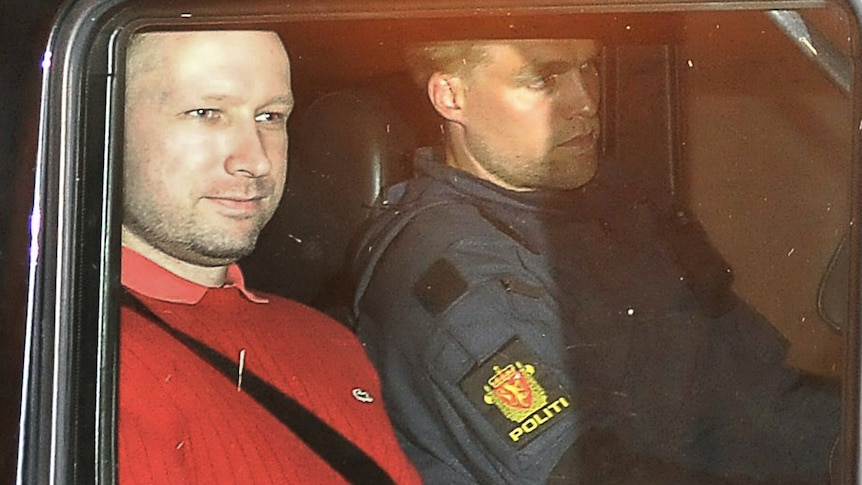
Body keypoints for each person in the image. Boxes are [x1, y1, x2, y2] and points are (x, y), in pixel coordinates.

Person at [351, 39, 840, 484]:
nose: (585, 103)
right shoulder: (455, 276)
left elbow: (757, 386)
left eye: (589, 68)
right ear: (450, 97)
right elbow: (590, 471)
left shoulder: (617, 201)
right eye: (545, 80)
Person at [119, 30, 420, 484]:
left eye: (270, 116)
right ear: (104, 125)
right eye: (206, 113)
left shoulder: (327, 342)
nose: (256, 160)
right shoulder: (74, 359)